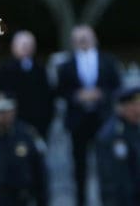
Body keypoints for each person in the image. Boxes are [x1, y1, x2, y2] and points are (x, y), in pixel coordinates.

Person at [57, 24, 121, 206]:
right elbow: (61, 90)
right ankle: (81, 201)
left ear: (94, 39)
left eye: (86, 37)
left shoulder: (107, 61)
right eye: (79, 38)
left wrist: (100, 94)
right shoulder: (67, 65)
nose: (83, 41)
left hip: (103, 120)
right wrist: (78, 96)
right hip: (78, 122)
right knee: (79, 167)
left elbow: (116, 85)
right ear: (74, 42)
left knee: (107, 164)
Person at [0, 93, 48, 206]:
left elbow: (40, 173)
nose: (3, 115)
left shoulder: (27, 135)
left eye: (6, 110)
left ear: (14, 110)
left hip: (21, 199)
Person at [0, 30, 54, 141]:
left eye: (29, 45)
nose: (26, 48)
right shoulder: (4, 70)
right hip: (12, 124)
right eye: (23, 45)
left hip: (38, 123)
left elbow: (47, 97)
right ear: (13, 46)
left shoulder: (40, 69)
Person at [96, 86, 140, 206]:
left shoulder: (133, 127)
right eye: (135, 105)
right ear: (123, 107)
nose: (138, 110)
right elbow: (114, 182)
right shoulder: (113, 136)